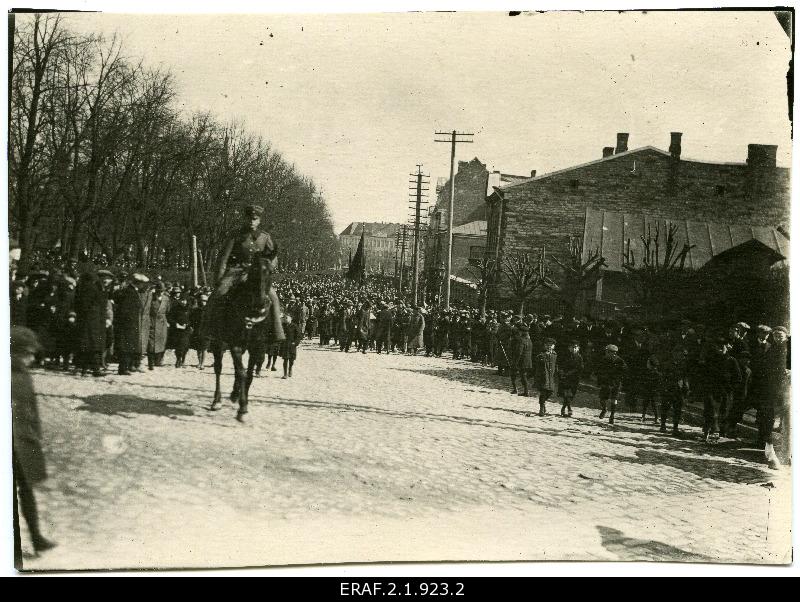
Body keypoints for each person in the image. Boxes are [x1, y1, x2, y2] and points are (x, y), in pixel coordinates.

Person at [203, 204, 284, 342]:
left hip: (257, 273)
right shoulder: (235, 236)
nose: (252, 222)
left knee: (274, 297)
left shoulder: (265, 237)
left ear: (259, 220)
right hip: (236, 271)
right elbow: (223, 258)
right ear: (244, 219)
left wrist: (268, 267)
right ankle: (208, 329)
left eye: (255, 219)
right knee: (218, 294)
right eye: (249, 219)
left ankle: (277, 332)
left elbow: (273, 257)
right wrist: (219, 279)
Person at [11, 326, 57, 566]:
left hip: (24, 441)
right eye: (26, 354)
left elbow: (32, 409)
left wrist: (36, 434)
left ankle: (36, 537)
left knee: (26, 490)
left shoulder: (24, 376)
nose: (31, 359)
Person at [596, 344, 628, 425]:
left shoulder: (620, 361)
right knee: (602, 399)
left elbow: (625, 370)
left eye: (609, 352)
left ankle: (612, 416)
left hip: (615, 383)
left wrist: (619, 377)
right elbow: (599, 371)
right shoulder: (603, 359)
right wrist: (600, 381)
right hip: (606, 382)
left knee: (614, 399)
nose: (607, 353)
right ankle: (604, 409)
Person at [558, 340, 583, 417]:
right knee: (566, 393)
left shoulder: (579, 357)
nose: (574, 349)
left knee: (572, 394)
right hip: (565, 378)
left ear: (578, 348)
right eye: (572, 347)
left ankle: (563, 408)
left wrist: (571, 373)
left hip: (574, 378)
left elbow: (580, 368)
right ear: (569, 348)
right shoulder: (565, 356)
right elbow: (560, 365)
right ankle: (569, 408)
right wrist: (561, 372)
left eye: (575, 347)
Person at [534, 336, 558, 416]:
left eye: (551, 345)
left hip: (551, 377)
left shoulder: (555, 355)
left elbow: (556, 365)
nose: (549, 347)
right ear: (544, 346)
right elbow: (537, 365)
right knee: (543, 392)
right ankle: (541, 407)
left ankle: (543, 403)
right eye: (547, 345)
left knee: (550, 392)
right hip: (543, 377)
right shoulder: (541, 355)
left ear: (553, 346)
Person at [280, 313, 300, 378]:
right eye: (285, 318)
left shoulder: (295, 326)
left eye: (287, 318)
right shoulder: (283, 326)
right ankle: (285, 374)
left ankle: (290, 369)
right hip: (285, 344)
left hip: (292, 345)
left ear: (291, 319)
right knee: (285, 359)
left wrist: (295, 343)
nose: (286, 319)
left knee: (291, 360)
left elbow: (298, 336)